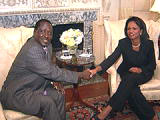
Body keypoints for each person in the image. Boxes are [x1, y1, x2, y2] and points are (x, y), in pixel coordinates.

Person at [0, 19, 91, 120]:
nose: (46, 35)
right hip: (17, 94)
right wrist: (80, 75)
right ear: (35, 32)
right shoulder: (32, 49)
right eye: (42, 31)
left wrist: (56, 80)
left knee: (58, 95)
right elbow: (50, 71)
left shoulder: (47, 45)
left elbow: (50, 65)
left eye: (49, 33)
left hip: (34, 87)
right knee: (48, 103)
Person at [90, 16, 158, 120]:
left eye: (134, 28)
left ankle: (106, 111)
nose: (130, 31)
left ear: (141, 31)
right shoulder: (123, 43)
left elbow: (152, 64)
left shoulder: (148, 44)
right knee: (132, 88)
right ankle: (151, 116)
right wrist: (96, 69)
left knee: (130, 82)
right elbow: (111, 59)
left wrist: (140, 70)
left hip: (144, 73)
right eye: (128, 28)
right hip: (127, 70)